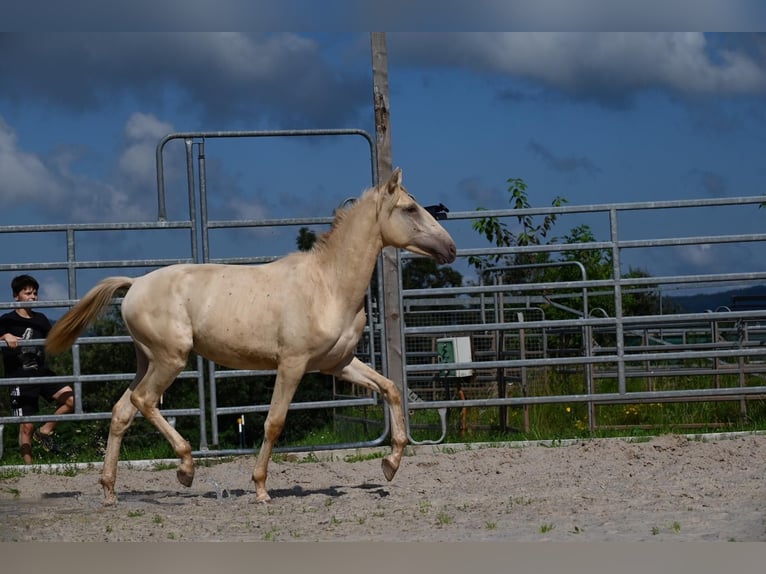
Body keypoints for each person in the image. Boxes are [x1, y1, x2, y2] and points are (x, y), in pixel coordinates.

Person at [0, 274, 74, 463]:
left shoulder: (41, 319)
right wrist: (4, 337)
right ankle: (29, 468)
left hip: (42, 372)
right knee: (26, 427)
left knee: (71, 400)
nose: (33, 297)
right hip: (19, 377)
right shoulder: (6, 319)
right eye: (28, 293)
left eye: (35, 293)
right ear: (16, 296)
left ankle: (45, 430)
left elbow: (55, 339)